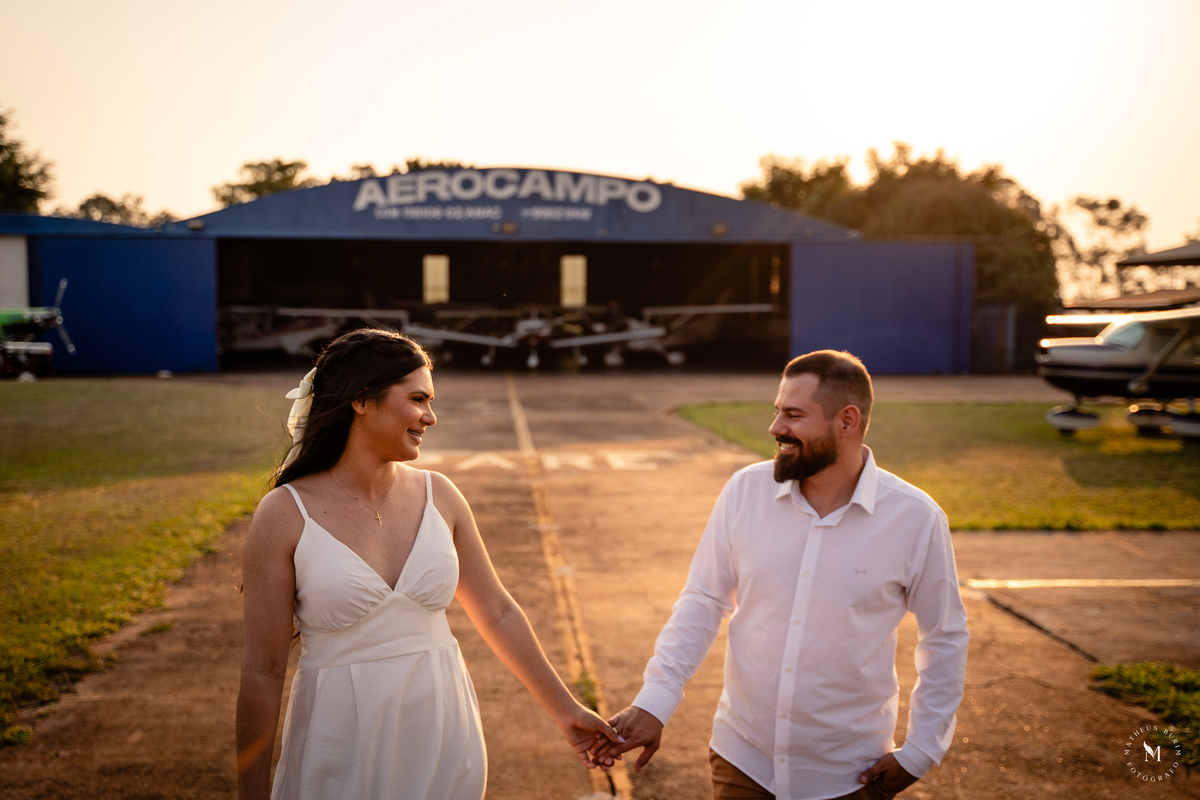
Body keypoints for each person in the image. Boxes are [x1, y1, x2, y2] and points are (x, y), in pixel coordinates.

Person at [236, 329, 621, 800]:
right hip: (338, 741)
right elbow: (263, 669)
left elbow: (497, 612)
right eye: (417, 399)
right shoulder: (284, 512)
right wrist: (250, 790)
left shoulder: (441, 496)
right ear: (361, 399)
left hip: (443, 730)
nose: (431, 417)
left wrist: (565, 710)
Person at [596, 350, 969, 800]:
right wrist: (656, 701)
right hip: (743, 761)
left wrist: (921, 750)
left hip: (850, 776)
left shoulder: (915, 518)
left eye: (793, 415)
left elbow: (944, 637)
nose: (775, 428)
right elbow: (703, 601)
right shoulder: (744, 492)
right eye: (777, 411)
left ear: (846, 421)